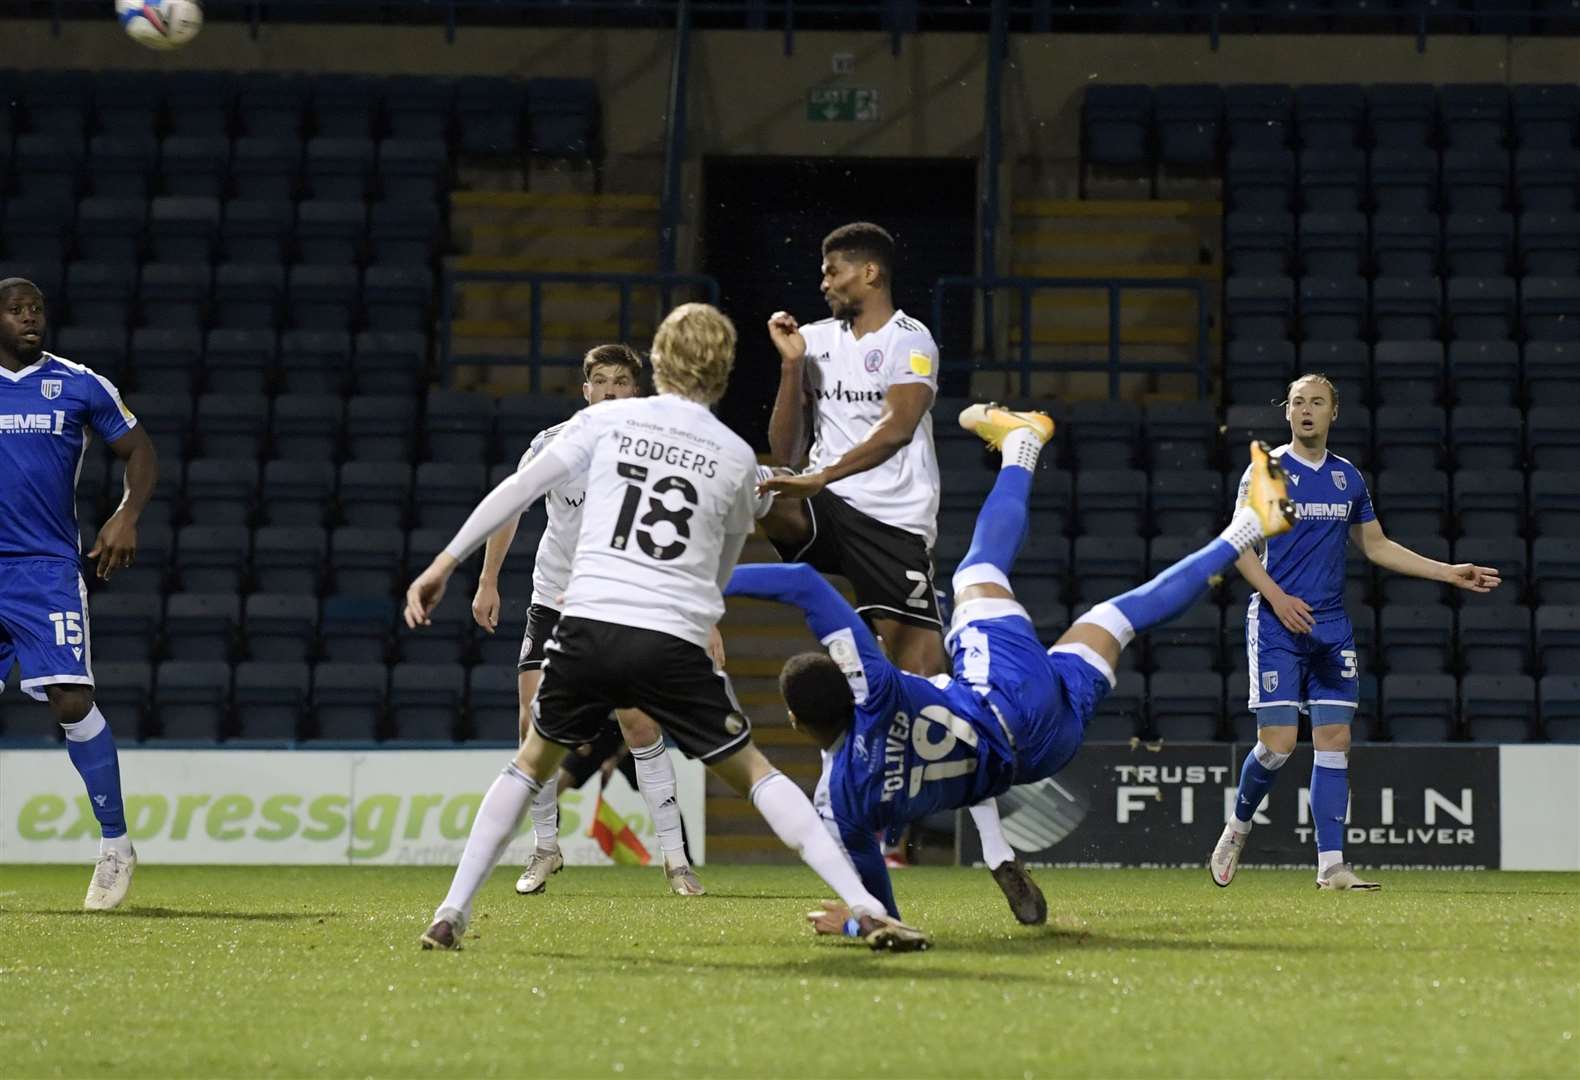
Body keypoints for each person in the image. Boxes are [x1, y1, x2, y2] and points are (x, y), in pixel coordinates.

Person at [404, 303, 928, 953]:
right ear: (726, 371)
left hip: (589, 624)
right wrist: (705, 625)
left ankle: (452, 910)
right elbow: (718, 566)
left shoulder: (604, 420)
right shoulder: (737, 457)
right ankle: (864, 902)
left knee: (529, 764)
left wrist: (444, 563)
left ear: (655, 361)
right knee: (756, 773)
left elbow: (518, 489)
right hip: (670, 637)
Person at [725, 403, 1298, 935]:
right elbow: (802, 584)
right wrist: (706, 588)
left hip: (1040, 754)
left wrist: (855, 923)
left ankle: (1247, 526)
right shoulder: (875, 689)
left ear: (796, 724)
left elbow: (883, 915)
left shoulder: (844, 801)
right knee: (976, 572)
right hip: (1009, 694)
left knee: (1114, 621)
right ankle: (1024, 443)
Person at [757, 221, 1022, 901]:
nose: (823, 282)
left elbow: (899, 428)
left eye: (833, 270)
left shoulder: (911, 341)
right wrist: (789, 367)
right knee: (754, 485)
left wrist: (822, 475)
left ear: (869, 273)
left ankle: (997, 853)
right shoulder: (813, 342)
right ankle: (688, 591)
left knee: (926, 679)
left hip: (893, 524)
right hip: (823, 505)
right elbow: (785, 449)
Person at [1211, 373, 1501, 891]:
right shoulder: (1269, 471)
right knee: (1277, 745)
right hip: (1276, 624)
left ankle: (1331, 866)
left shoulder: (1347, 478)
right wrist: (1277, 598)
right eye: (1298, 402)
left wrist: (1446, 571)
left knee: (1334, 740)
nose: (1306, 410)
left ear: (1333, 413)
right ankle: (1238, 824)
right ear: (1288, 413)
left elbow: (1376, 545)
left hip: (1331, 628)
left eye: (1316, 403)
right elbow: (1238, 547)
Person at [469, 344, 703, 897]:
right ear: (587, 391)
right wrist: (487, 580)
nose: (612, 390)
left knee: (639, 726)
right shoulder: (554, 445)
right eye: (602, 381)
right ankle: (545, 848)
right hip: (555, 600)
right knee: (533, 723)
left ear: (636, 391)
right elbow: (510, 508)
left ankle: (675, 860)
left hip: (623, 602)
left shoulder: (658, 449)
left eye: (623, 381)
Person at [0, 277, 158, 910]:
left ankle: (115, 846)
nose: (29, 319)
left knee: (71, 699)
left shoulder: (78, 382)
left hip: (43, 569)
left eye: (36, 309)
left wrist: (126, 515)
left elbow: (139, 450)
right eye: (15, 311)